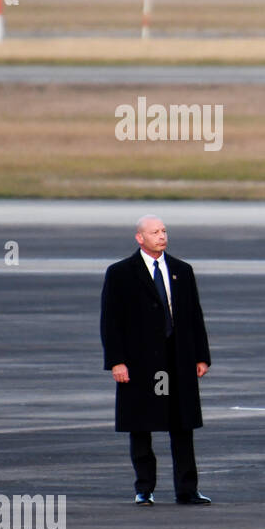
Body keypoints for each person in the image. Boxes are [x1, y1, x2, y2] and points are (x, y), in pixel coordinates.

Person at [100, 215, 212, 505]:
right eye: (155, 232)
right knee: (140, 426)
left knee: (182, 425)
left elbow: (194, 316)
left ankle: (187, 490)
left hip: (179, 359)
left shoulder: (182, 270)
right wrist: (117, 361)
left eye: (164, 231)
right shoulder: (121, 273)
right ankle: (144, 488)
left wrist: (201, 356)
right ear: (140, 238)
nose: (162, 236)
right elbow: (110, 321)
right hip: (140, 363)